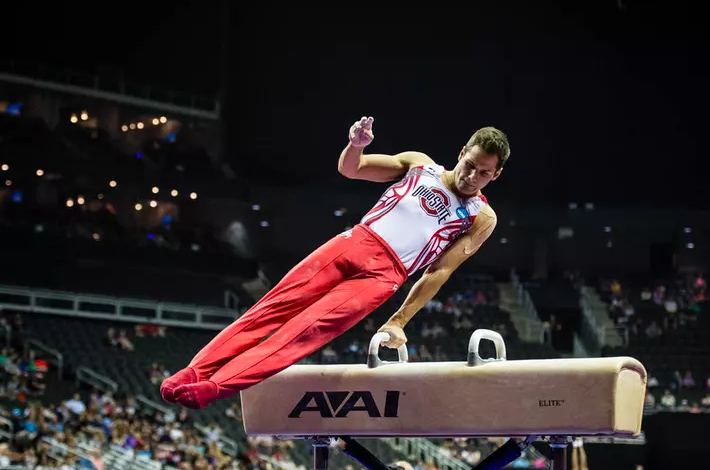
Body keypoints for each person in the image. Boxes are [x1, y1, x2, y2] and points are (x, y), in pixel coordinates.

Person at [161, 116, 510, 409]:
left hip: (384, 275)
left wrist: (399, 320)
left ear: (495, 176)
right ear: (461, 153)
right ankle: (195, 371)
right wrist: (356, 144)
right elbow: (353, 169)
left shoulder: (481, 218)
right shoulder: (420, 165)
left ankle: (216, 386)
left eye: (483, 173)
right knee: (270, 309)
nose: (471, 176)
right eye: (469, 165)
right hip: (353, 242)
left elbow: (441, 271)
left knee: (304, 331)